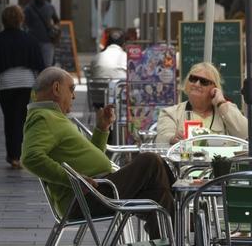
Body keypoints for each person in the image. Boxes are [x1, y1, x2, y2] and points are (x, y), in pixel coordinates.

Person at [22, 67, 175, 239]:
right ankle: (183, 208)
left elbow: (90, 157)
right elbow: (30, 157)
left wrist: (102, 128)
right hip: (85, 197)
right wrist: (74, 180)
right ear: (56, 88)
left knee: (160, 195)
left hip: (97, 189)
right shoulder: (43, 117)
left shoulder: (53, 117)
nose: (73, 96)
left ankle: (171, 236)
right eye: (71, 89)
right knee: (151, 161)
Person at [0, 5, 46, 169]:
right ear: (21, 19)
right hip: (26, 83)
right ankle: (18, 155)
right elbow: (39, 64)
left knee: (9, 120)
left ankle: (12, 155)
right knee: (21, 119)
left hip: (6, 84)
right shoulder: (30, 39)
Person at [156, 62, 248, 144]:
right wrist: (172, 138)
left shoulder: (226, 111)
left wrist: (221, 103)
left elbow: (244, 133)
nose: (196, 84)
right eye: (193, 79)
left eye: (204, 82)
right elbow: (162, 139)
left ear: (214, 88)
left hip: (220, 162)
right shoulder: (171, 113)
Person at [24, 0, 60, 67]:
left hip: (48, 41)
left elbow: (56, 20)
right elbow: (24, 24)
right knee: (34, 65)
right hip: (32, 42)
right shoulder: (28, 8)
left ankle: (46, 79)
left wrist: (55, 28)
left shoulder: (50, 7)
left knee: (47, 66)